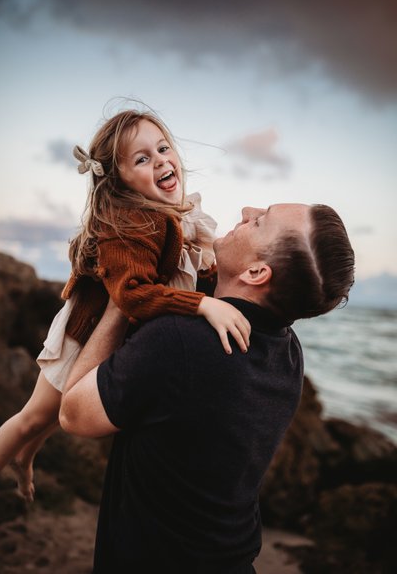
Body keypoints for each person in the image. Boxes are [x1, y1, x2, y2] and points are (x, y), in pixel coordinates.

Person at [59, 201, 355, 573]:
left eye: (260, 222)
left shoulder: (179, 341)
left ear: (257, 272)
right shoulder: (287, 351)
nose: (247, 210)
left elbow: (73, 414)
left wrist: (123, 298)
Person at [0, 109, 251, 502]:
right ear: (119, 181)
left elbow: (186, 271)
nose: (162, 160)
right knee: (32, 417)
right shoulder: (129, 223)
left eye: (163, 148)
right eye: (142, 158)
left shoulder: (171, 214)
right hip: (83, 335)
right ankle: (20, 452)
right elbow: (132, 294)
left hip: (115, 335)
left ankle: (26, 457)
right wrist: (202, 306)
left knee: (45, 421)